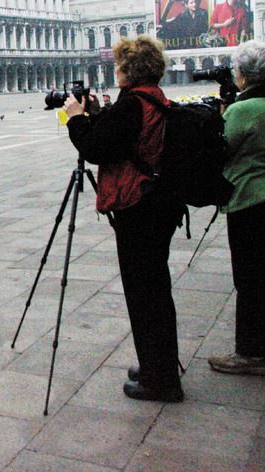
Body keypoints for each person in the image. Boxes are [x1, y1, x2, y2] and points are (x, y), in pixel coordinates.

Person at [64, 35, 186, 402]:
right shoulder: (153, 97)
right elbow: (121, 138)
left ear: (130, 69)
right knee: (155, 289)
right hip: (159, 202)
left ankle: (161, 380)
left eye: (119, 65)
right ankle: (157, 365)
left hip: (138, 205)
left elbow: (95, 148)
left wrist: (76, 119)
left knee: (144, 294)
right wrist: (98, 115)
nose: (115, 70)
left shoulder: (132, 103)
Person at [208, 41, 265, 376]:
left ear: (243, 74)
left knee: (248, 278)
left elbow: (221, 150)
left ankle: (250, 352)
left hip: (249, 197)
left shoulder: (242, 110)